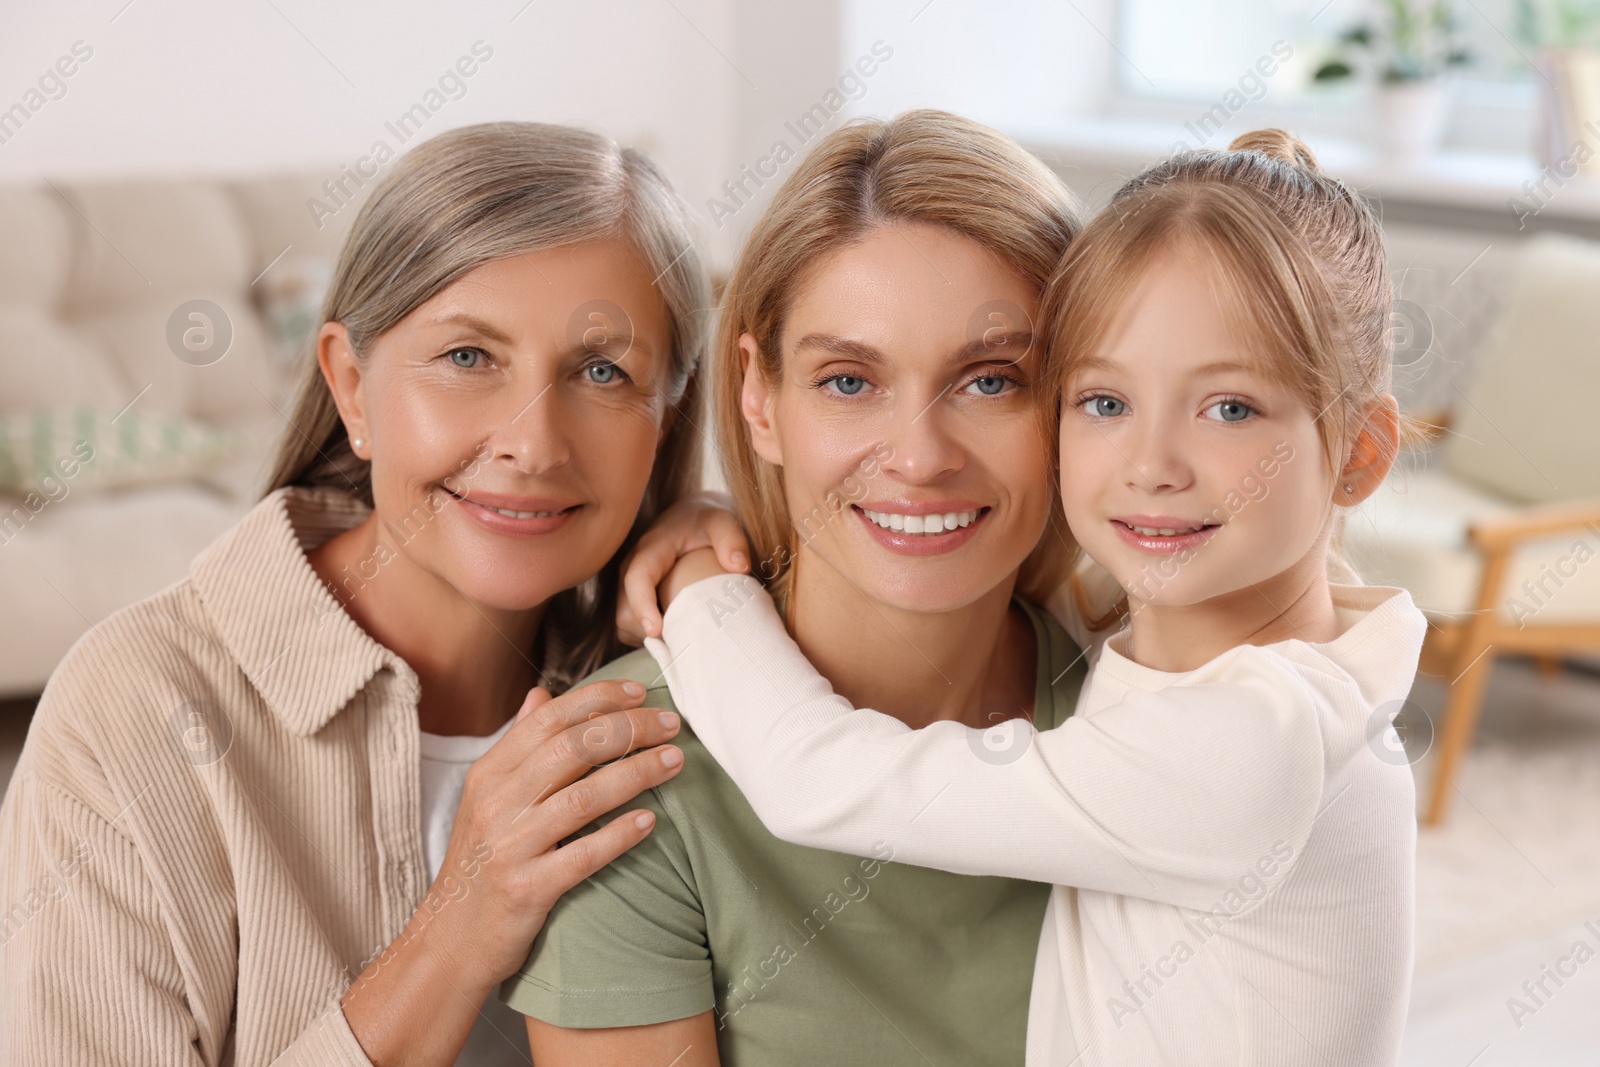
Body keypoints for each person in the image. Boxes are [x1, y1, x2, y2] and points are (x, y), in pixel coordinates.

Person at [633, 130, 1425, 1065]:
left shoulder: (1256, 743)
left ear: (1363, 454)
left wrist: (706, 588)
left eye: (1230, 408)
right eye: (1104, 402)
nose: (1151, 467)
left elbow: (813, 775)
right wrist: (734, 513)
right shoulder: (1228, 645)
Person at [0, 121, 710, 1066]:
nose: (534, 444)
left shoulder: (681, 691)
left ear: (664, 421)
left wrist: (729, 568)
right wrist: (460, 925)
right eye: (468, 357)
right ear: (352, 385)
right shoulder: (133, 713)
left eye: (601, 371)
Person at [500, 110, 1088, 1066]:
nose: (920, 456)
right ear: (758, 397)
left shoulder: (1145, 714)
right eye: (849, 380)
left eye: (991, 381)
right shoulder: (629, 786)